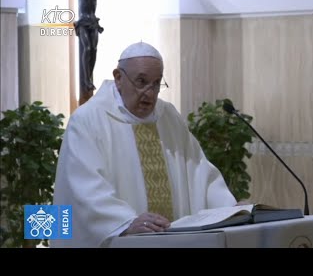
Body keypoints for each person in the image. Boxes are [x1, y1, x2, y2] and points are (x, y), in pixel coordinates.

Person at [52, 42, 237, 247]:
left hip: (174, 240)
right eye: (141, 81)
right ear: (118, 78)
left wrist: (230, 209)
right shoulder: (88, 120)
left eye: (156, 83)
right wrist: (125, 222)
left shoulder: (168, 117)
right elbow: (84, 188)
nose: (149, 92)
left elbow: (199, 172)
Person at [53, 0, 119, 98]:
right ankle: (86, 80)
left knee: (94, 49)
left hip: (93, 22)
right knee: (87, 48)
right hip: (83, 23)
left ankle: (89, 77)